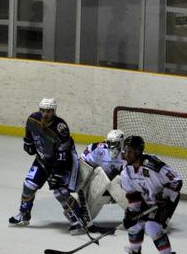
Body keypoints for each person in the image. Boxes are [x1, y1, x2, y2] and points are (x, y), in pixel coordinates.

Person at [8, 98, 89, 234]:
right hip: (42, 159)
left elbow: (63, 154)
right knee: (29, 185)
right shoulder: (32, 119)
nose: (46, 114)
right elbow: (29, 134)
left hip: (64, 162)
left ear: (54, 111)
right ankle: (24, 214)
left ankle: (78, 220)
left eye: (49, 111)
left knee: (60, 192)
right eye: (43, 110)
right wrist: (28, 143)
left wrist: (56, 173)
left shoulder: (60, 128)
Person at [117, 135, 183, 254]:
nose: (127, 154)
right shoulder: (126, 170)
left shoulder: (153, 164)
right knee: (133, 223)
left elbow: (177, 180)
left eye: (131, 151)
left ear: (139, 152)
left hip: (165, 201)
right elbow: (133, 194)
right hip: (147, 199)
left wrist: (165, 196)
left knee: (152, 227)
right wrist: (132, 213)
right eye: (126, 150)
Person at [77, 129, 130, 221]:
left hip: (112, 186)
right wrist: (82, 188)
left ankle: (133, 214)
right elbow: (83, 164)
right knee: (99, 171)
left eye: (116, 144)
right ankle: (81, 203)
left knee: (120, 180)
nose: (112, 147)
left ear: (121, 143)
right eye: (110, 143)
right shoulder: (97, 148)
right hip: (97, 183)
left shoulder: (127, 154)